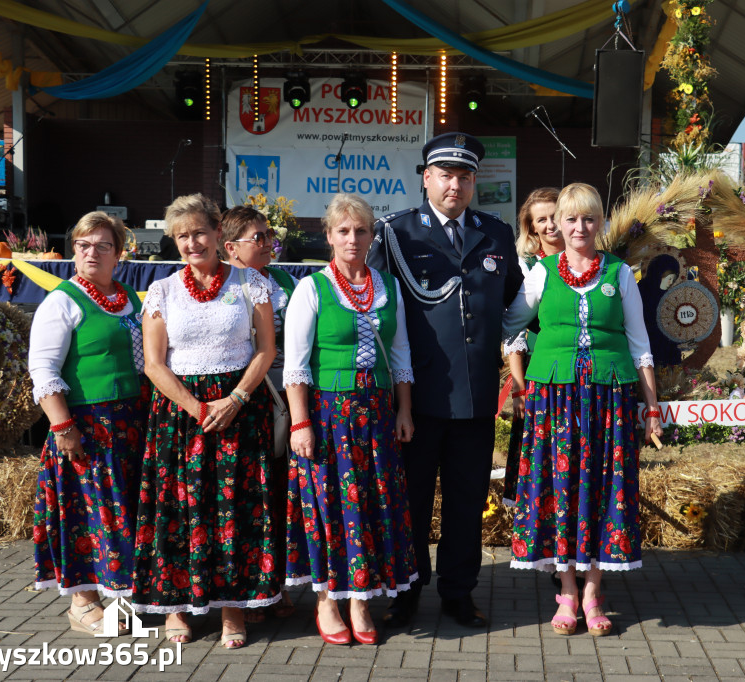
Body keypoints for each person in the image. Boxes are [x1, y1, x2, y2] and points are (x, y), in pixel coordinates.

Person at [367, 132, 523, 628]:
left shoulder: (495, 234)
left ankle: (458, 592)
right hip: (416, 396)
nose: (454, 185)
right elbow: (371, 308)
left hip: (476, 396)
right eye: (446, 175)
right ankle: (407, 591)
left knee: (466, 501)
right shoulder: (397, 234)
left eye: (464, 176)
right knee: (410, 500)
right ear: (427, 178)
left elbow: (518, 307)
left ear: (473, 181)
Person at [501, 183, 663, 636]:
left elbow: (639, 342)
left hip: (608, 398)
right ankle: (567, 591)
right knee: (561, 486)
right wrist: (518, 373)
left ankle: (593, 592)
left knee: (602, 486)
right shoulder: (541, 273)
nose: (577, 227)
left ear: (600, 224)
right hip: (554, 398)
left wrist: (651, 405)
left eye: (588, 219)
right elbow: (510, 324)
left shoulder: (619, 273)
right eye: (570, 219)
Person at [132, 194, 280, 649]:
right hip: (181, 415)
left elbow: (266, 350)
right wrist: (197, 408)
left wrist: (235, 398)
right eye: (182, 236)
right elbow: (155, 365)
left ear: (218, 234)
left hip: (239, 409)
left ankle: (233, 609)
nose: (192, 242)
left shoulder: (250, 284)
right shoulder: (163, 290)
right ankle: (177, 606)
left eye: (199, 232)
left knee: (234, 507)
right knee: (177, 507)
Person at [282, 193, 417, 646]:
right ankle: (327, 600)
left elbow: (400, 356)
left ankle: (360, 599)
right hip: (328, 416)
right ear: (328, 236)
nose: (353, 238)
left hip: (376, 415)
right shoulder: (312, 288)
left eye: (361, 230)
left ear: (372, 235)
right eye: (343, 231)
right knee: (330, 506)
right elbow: (296, 365)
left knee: (371, 505)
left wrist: (403, 409)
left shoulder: (387, 287)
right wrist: (301, 424)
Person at [29, 211, 147, 635]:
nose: (91, 252)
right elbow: (42, 369)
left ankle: (121, 592)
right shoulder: (62, 301)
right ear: (73, 250)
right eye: (83, 244)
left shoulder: (131, 299)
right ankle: (82, 603)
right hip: (86, 426)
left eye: (102, 245)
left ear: (119, 253)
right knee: (86, 513)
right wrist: (62, 428)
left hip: (131, 423)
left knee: (120, 512)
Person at [221, 205, 297, 623]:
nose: (269, 244)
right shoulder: (227, 285)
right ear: (231, 247)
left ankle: (277, 582)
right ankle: (248, 587)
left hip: (288, 394)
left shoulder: (286, 281)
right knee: (252, 495)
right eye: (259, 238)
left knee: (284, 492)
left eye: (270, 236)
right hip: (245, 396)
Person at [505, 187, 562, 506]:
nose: (550, 224)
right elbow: (512, 331)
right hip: (537, 370)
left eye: (555, 216)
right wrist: (518, 388)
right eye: (542, 219)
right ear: (531, 227)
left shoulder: (589, 257)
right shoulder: (524, 266)